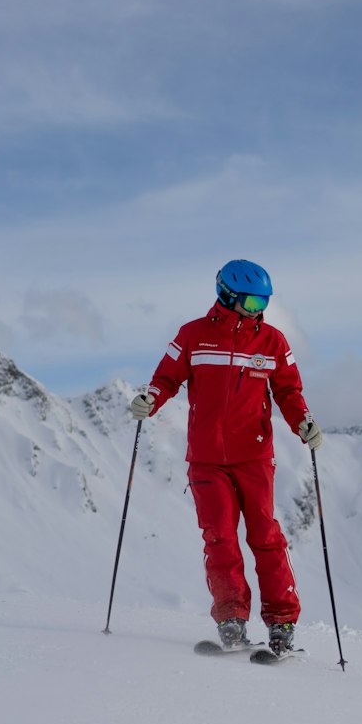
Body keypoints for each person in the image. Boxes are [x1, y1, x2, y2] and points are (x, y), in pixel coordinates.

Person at [130, 259, 322, 654]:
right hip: (206, 459)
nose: (259, 310)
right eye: (252, 302)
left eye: (264, 302)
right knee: (219, 537)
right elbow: (166, 377)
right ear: (227, 295)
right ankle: (231, 619)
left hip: (253, 455)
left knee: (265, 536)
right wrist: (150, 399)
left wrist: (302, 421)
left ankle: (282, 622)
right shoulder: (192, 336)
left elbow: (288, 392)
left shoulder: (272, 342)